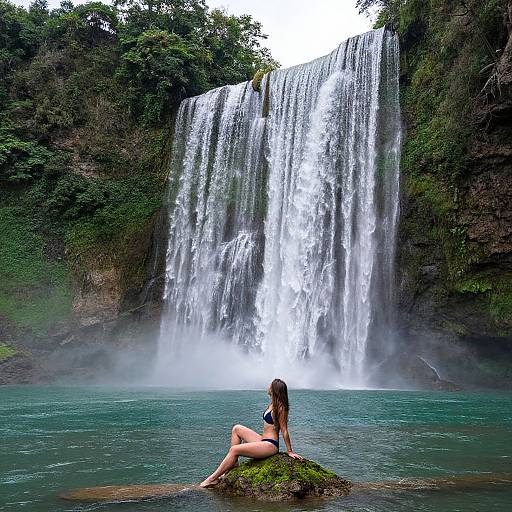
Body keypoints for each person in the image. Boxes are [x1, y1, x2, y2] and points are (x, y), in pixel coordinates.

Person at [199, 378, 303, 487]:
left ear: (274, 389)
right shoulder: (272, 404)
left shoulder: (281, 408)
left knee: (234, 450)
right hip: (263, 440)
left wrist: (290, 451)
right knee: (236, 428)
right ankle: (233, 464)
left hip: (271, 445)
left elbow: (284, 430)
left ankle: (212, 479)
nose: (268, 386)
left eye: (270, 385)